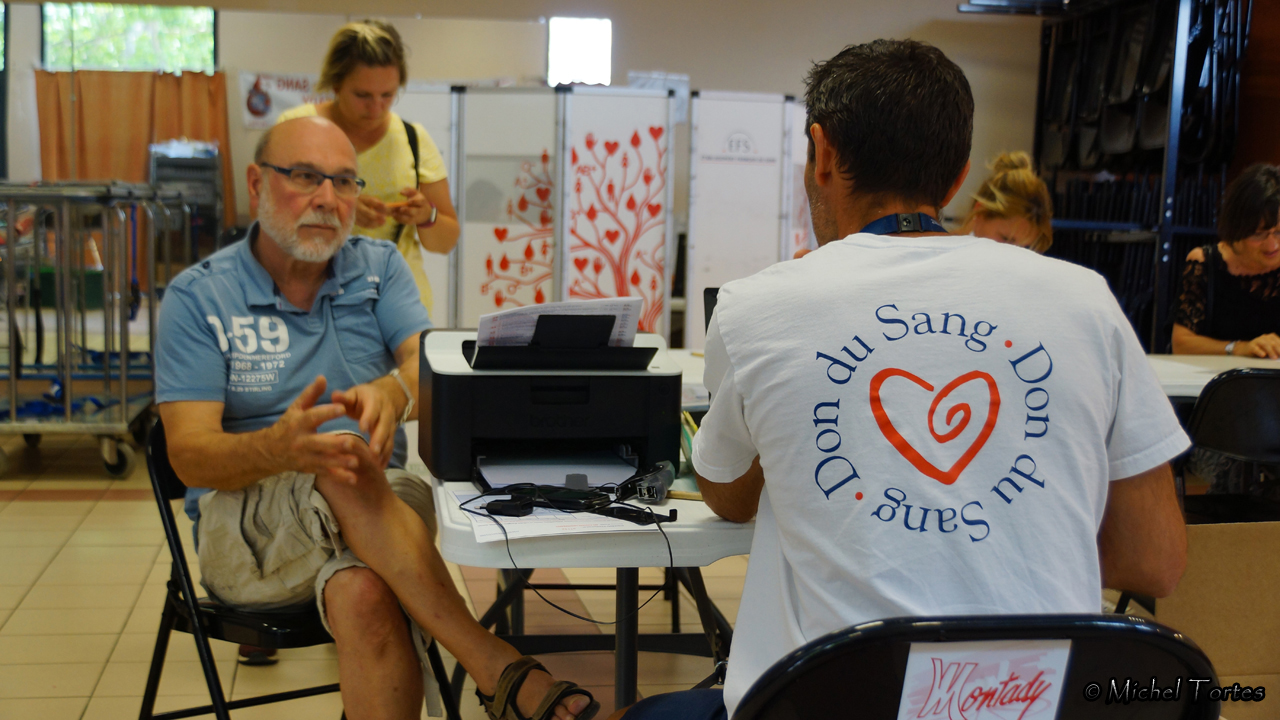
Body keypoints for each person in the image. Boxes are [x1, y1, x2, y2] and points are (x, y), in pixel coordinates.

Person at [611, 40, 1187, 720]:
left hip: (829, 702)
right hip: (1035, 705)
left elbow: (728, 498)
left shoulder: (760, 306)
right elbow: (1153, 561)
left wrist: (800, 399)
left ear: (821, 153)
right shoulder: (1087, 299)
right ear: (958, 179)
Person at [155, 116, 596, 720]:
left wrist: (393, 392)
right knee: (340, 454)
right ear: (257, 182)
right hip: (248, 525)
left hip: (383, 501)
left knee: (363, 589)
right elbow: (188, 454)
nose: (328, 200)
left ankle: (497, 669)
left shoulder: (379, 267)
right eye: (306, 177)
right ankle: (495, 665)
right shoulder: (199, 297)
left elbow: (423, 365)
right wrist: (277, 450)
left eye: (344, 182)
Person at [277, 19, 460, 314]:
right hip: (314, 303)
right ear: (336, 84)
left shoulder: (413, 139)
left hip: (397, 309)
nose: (376, 108)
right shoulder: (296, 130)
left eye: (388, 95)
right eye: (362, 95)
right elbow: (270, 218)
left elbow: (445, 241)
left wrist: (426, 216)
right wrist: (340, 207)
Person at [1172, 163, 1280, 359]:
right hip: (1220, 383)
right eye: (1258, 234)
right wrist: (1238, 348)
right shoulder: (1206, 263)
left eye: (1279, 232)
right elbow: (1181, 344)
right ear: (1237, 229)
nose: (1272, 245)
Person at [959, 151, 1053, 253]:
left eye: (1025, 248)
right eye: (1006, 239)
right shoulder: (944, 259)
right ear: (980, 210)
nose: (1013, 255)